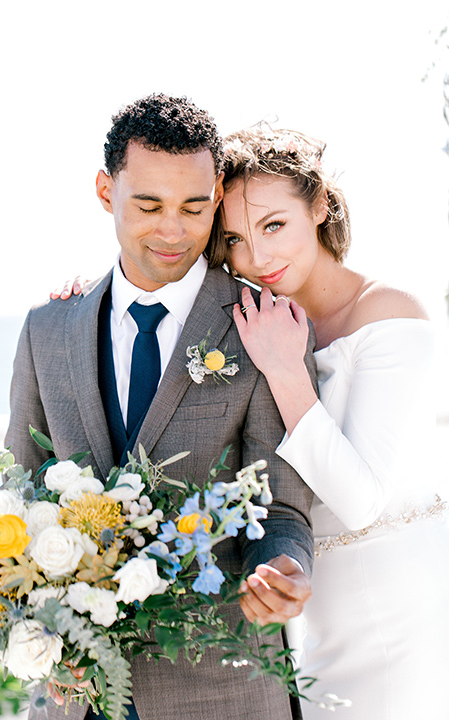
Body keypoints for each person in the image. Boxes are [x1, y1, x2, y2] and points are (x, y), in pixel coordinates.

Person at [5, 96, 317, 720]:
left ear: (218, 192)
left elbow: (281, 509)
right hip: (74, 694)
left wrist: (285, 569)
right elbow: (19, 492)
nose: (172, 230)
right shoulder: (48, 329)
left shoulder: (263, 327)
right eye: (148, 206)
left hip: (221, 692)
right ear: (105, 190)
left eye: (195, 208)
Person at [218, 127, 449, 719]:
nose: (257, 258)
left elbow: (360, 500)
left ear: (318, 205)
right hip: (317, 612)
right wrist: (84, 294)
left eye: (274, 226)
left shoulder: (390, 313)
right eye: (236, 240)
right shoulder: (256, 321)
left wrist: (284, 370)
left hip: (405, 601)